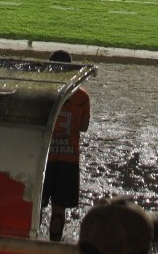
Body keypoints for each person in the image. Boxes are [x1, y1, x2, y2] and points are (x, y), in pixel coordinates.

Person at [44, 50, 91, 242]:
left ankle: (32, 243)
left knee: (37, 205)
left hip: (44, 157)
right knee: (59, 208)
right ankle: (54, 243)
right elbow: (83, 127)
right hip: (68, 158)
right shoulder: (82, 97)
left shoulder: (43, 92)